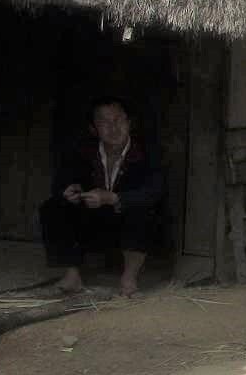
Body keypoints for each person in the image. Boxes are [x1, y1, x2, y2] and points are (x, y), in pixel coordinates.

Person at [39, 97, 163, 297]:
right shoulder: (83, 152)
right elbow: (60, 183)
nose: (113, 127)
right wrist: (68, 190)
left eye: (119, 120)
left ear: (129, 123)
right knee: (53, 207)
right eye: (104, 122)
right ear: (93, 129)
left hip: (131, 229)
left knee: (144, 209)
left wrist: (113, 198)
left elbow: (155, 191)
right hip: (94, 228)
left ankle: (129, 278)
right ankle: (72, 276)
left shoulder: (146, 153)